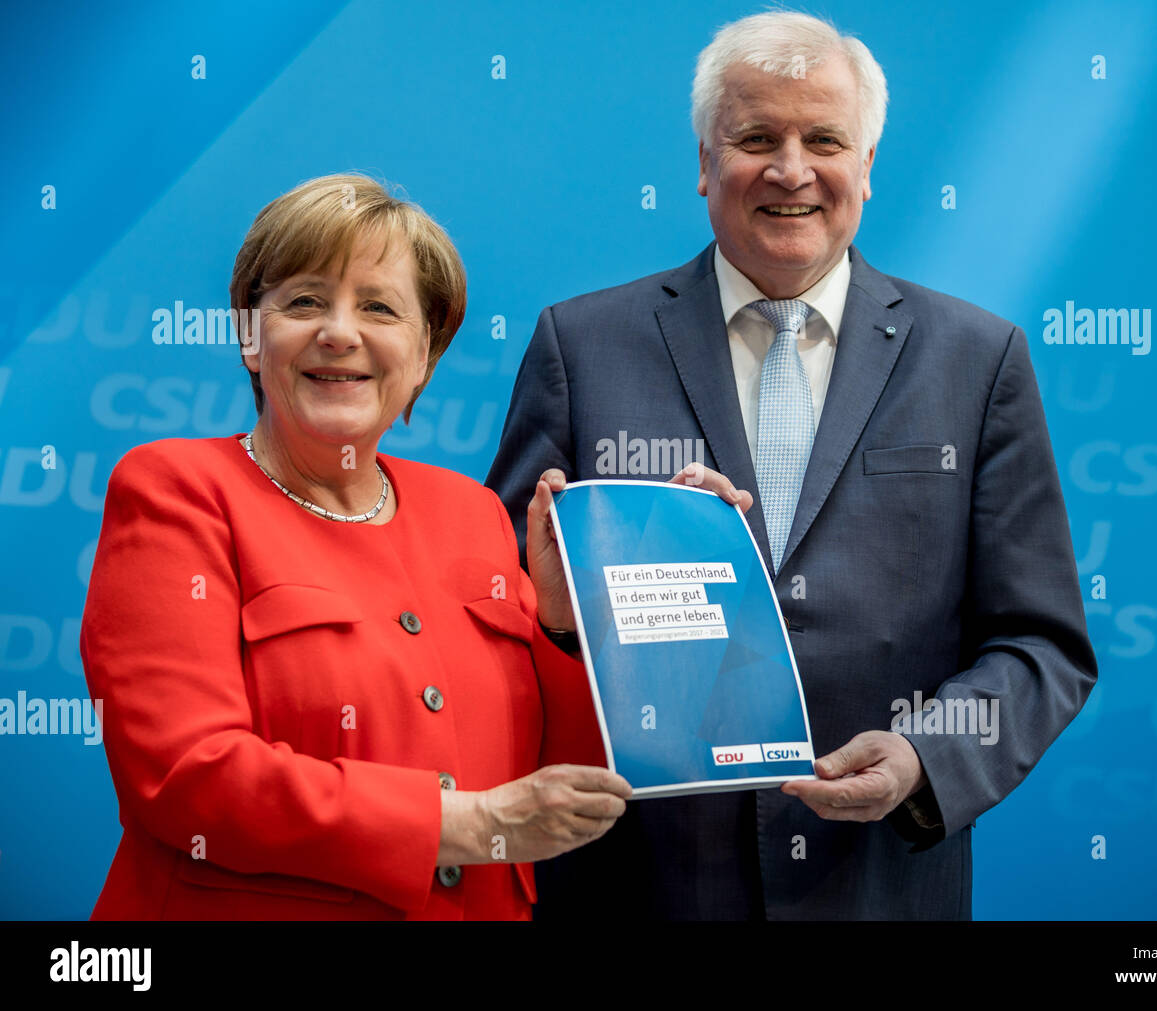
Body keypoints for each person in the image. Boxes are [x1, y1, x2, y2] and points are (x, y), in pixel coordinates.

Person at [485, 12, 1098, 920]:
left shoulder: (978, 360)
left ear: (867, 166)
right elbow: (494, 622)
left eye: (824, 139)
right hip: (639, 883)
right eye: (756, 137)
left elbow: (1042, 642)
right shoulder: (581, 347)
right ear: (703, 163)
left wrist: (927, 756)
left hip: (880, 883)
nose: (791, 169)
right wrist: (555, 618)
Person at [79, 173, 646, 920]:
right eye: (305, 301)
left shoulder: (472, 512)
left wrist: (563, 624)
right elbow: (187, 776)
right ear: (253, 338)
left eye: (379, 307)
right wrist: (466, 825)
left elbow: (567, 782)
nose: (340, 332)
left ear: (423, 357)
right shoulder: (177, 491)